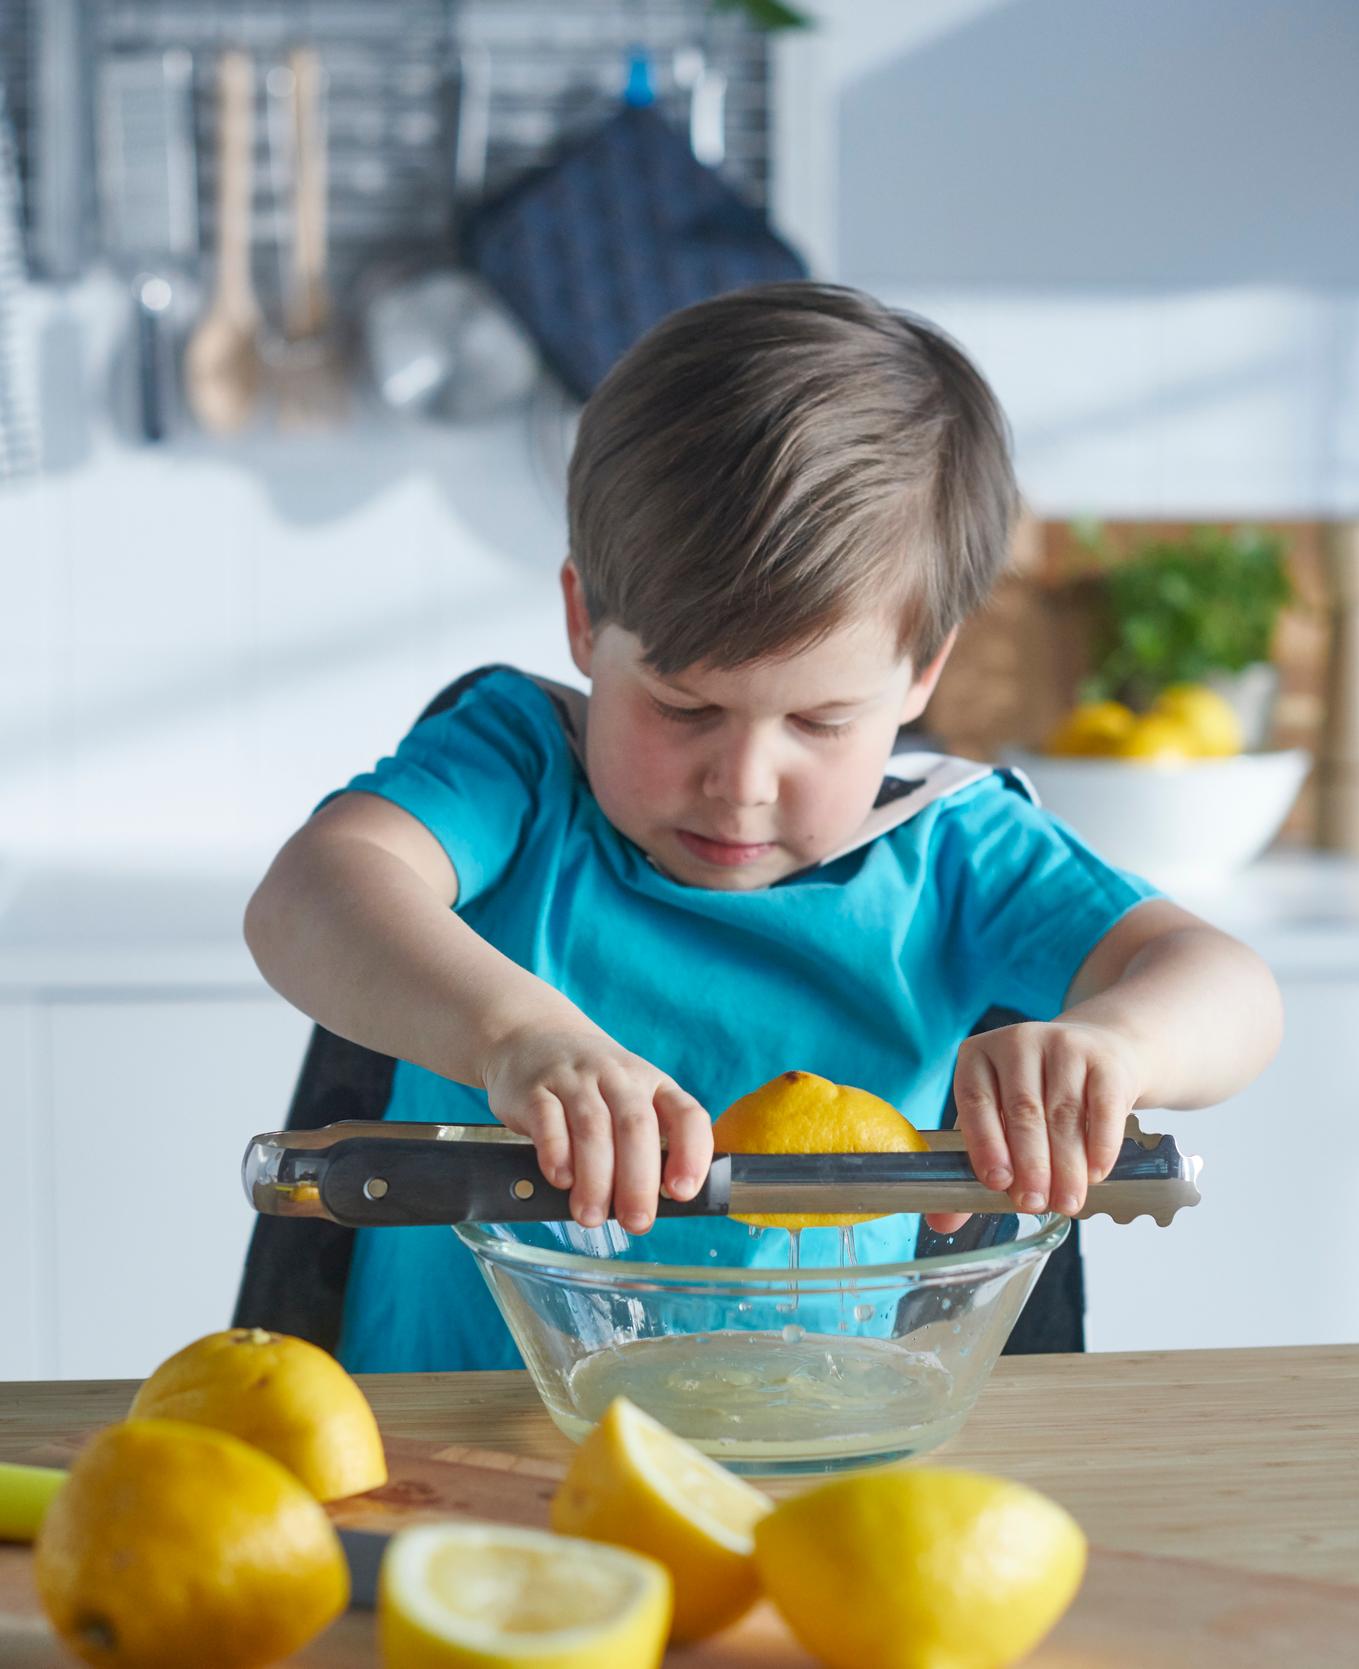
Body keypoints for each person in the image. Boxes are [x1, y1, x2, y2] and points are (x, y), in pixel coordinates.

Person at [244, 282, 1282, 1372]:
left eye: (821, 721)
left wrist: (1113, 1045)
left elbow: (1222, 981)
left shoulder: (957, 852)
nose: (741, 781)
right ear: (584, 620)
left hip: (817, 1443)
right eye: (684, 707)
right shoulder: (516, 769)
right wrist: (517, 1035)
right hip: (446, 1444)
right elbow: (312, 891)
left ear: (921, 671)